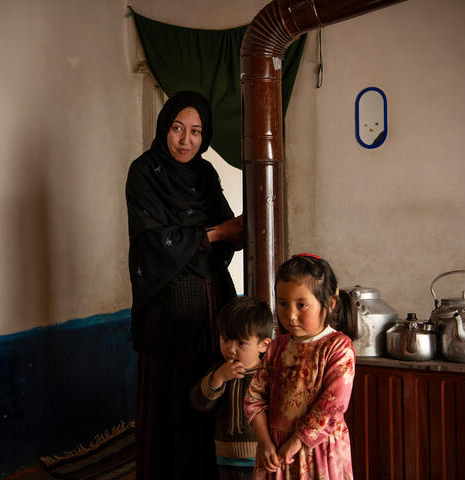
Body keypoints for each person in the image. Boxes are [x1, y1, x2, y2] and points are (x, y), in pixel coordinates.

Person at [126, 90, 243, 480]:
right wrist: (213, 234)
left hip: (210, 306)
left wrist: (229, 231)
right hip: (167, 312)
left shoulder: (206, 174)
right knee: (171, 401)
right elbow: (153, 244)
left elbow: (229, 231)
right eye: (178, 128)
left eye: (195, 131)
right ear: (165, 127)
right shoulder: (144, 173)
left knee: (208, 392)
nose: (185, 140)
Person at [244, 254, 357, 479]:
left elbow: (331, 407)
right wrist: (265, 442)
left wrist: (295, 444)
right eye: (283, 304)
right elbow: (254, 397)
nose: (290, 315)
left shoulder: (338, 348)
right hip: (275, 452)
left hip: (317, 451)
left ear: (330, 304)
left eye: (301, 305)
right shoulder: (277, 347)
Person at [190, 296, 273, 480]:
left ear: (263, 345)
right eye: (225, 339)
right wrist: (218, 378)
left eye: (241, 343)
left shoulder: (268, 374)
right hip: (225, 458)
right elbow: (199, 403)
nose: (231, 349)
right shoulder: (218, 370)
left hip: (260, 457)